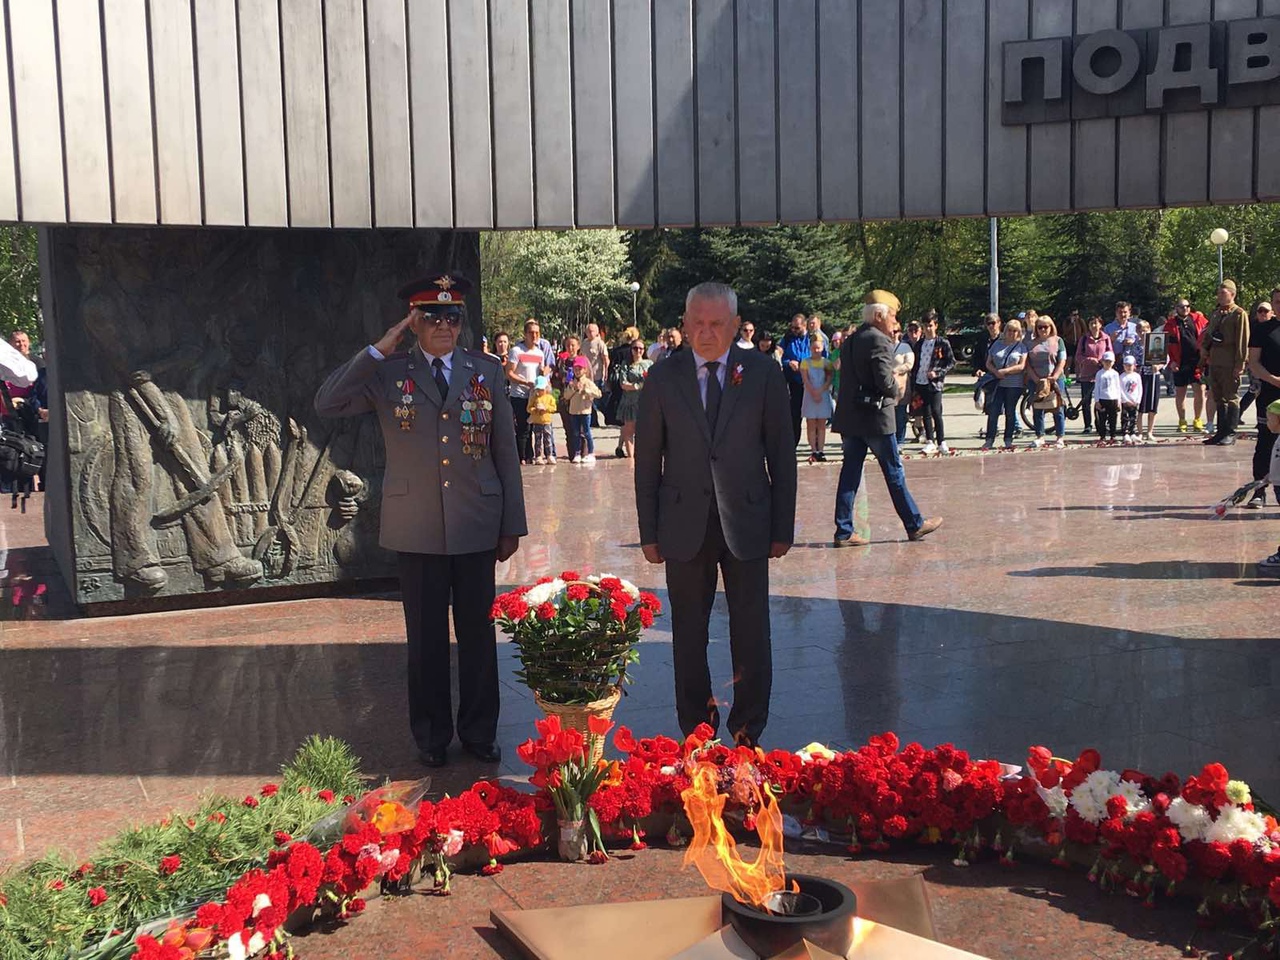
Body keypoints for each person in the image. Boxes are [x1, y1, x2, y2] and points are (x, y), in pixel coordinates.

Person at [314, 271, 526, 768]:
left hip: (476, 521)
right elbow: (328, 402)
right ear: (414, 322)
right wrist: (377, 349)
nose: (445, 326)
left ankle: (479, 732)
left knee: (478, 636)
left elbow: (505, 449)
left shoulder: (485, 371)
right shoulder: (389, 372)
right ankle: (431, 736)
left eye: (453, 317)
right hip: (417, 527)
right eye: (433, 318)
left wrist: (511, 523)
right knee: (426, 639)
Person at [635, 282, 796, 746]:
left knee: (751, 632)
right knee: (688, 633)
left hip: (747, 522)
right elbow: (647, 461)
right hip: (683, 524)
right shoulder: (663, 377)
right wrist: (649, 532)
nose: (706, 333)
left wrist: (782, 527)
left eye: (717, 324)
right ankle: (697, 730)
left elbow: (781, 455)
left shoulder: (762, 373)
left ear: (736, 325)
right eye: (698, 324)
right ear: (685, 325)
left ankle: (747, 730)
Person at [832, 290, 942, 545]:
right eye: (892, 315)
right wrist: (898, 383)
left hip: (851, 418)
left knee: (850, 474)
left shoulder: (852, 338)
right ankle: (914, 524)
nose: (895, 321)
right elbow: (885, 382)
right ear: (879, 316)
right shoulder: (878, 340)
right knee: (894, 472)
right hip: (876, 419)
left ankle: (843, 531)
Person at [1203, 279, 1250, 446]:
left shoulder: (1238, 314)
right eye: (1218, 293)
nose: (1220, 296)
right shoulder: (1216, 313)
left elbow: (1242, 341)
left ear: (1232, 294)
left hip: (1230, 361)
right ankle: (1221, 431)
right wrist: (1204, 351)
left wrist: (1240, 364)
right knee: (1218, 397)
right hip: (1215, 360)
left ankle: (1230, 432)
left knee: (1231, 397)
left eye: (1223, 293)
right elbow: (1209, 334)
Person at [1247, 298, 1280, 508]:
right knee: (1265, 443)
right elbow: (1253, 362)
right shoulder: (1262, 329)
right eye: (1277, 301)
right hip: (1270, 394)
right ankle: (1259, 491)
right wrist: (1273, 380)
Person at [508, 319, 554, 464]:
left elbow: (541, 373)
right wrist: (525, 382)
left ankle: (532, 455)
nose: (534, 336)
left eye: (537, 333)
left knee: (536, 426)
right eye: (531, 333)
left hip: (535, 396)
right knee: (523, 427)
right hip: (519, 394)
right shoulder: (516, 351)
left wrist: (544, 375)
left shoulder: (540, 353)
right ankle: (521, 456)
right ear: (525, 334)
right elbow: (509, 373)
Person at [911, 310, 955, 455]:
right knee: (926, 412)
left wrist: (937, 373)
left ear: (935, 325)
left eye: (930, 325)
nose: (928, 329)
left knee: (936, 411)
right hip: (920, 381)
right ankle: (930, 441)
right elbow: (916, 363)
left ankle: (942, 441)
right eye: (925, 326)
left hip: (935, 383)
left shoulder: (942, 343)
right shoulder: (919, 344)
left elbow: (951, 362)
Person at [982, 319, 1028, 451]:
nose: (1012, 333)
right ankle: (989, 439)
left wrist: (1006, 371)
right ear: (1005, 330)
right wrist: (996, 372)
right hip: (998, 383)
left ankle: (1008, 439)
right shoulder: (997, 344)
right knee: (993, 410)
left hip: (1014, 384)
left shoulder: (1021, 347)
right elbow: (988, 362)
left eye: (1015, 331)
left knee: (1010, 411)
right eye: (1009, 330)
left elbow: (1022, 366)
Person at [1164, 298, 1207, 433]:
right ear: (1176, 308)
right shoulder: (1170, 324)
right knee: (1180, 393)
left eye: (1187, 306)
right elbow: (1166, 346)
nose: (1185, 309)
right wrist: (1171, 361)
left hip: (1197, 362)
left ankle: (1197, 420)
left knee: (1200, 391)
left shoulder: (1198, 319)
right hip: (1180, 362)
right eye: (1182, 307)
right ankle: (1182, 421)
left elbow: (1208, 334)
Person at [1026, 316, 1068, 449]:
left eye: (1046, 326)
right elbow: (1027, 363)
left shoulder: (1058, 341)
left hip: (1055, 379)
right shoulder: (1031, 343)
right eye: (1040, 327)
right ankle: (1040, 436)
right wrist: (1035, 378)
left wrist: (1055, 376)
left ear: (1051, 327)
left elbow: (1062, 360)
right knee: (1038, 408)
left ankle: (1060, 437)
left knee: (1057, 408)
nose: (1043, 329)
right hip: (1036, 380)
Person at [800, 333, 835, 462]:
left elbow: (829, 378)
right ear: (810, 348)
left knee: (821, 424)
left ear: (823, 348)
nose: (816, 350)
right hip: (809, 394)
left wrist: (820, 391)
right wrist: (813, 392)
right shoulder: (805, 362)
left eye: (818, 348)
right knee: (811, 423)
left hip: (823, 394)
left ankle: (821, 450)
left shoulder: (827, 363)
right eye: (814, 348)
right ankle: (813, 450)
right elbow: (805, 379)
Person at [1074, 316, 1112, 435]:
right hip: (1087, 374)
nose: (1094, 326)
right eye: (1091, 323)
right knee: (1086, 401)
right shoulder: (1084, 339)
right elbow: (1078, 356)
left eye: (1096, 323)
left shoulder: (1106, 338)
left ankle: (1101, 424)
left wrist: (1104, 361)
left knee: (1102, 400)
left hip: (1102, 373)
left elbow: (1110, 353)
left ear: (1101, 324)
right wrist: (1088, 360)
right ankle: (1087, 425)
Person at [616, 339, 650, 459]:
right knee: (629, 430)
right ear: (631, 350)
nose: (638, 351)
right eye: (635, 348)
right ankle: (631, 458)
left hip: (645, 402)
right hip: (630, 402)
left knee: (645, 431)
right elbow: (623, 383)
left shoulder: (649, 363)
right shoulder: (626, 364)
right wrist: (636, 386)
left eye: (641, 348)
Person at [563, 357, 602, 464]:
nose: (577, 371)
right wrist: (573, 389)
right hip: (574, 411)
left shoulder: (588, 382)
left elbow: (598, 394)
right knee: (575, 433)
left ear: (584, 370)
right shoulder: (571, 383)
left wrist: (586, 391)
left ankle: (591, 453)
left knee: (586, 432)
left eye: (580, 369)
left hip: (585, 411)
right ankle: (577, 453)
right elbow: (566, 396)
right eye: (575, 369)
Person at [780, 313, 811, 445]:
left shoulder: (813, 338)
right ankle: (793, 443)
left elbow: (822, 357)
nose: (794, 330)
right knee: (794, 414)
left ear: (805, 325)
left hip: (811, 381)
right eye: (792, 327)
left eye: (797, 328)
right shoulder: (788, 338)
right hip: (794, 381)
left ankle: (816, 448)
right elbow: (780, 355)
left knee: (813, 417)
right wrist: (789, 363)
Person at [1135, 319, 1163, 442]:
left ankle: (1150, 431)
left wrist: (1159, 366)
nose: (1143, 333)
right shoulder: (1135, 345)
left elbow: (1165, 358)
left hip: (1153, 375)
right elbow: (1130, 358)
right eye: (1140, 331)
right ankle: (1140, 432)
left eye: (1145, 330)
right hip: (1140, 376)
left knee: (1153, 404)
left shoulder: (1156, 343)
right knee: (1140, 404)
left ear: (1149, 330)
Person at [583, 322, 610, 427]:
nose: (590, 333)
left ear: (597, 332)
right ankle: (593, 422)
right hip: (586, 376)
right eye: (588, 331)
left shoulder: (600, 343)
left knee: (597, 400)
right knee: (589, 399)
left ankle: (608, 415)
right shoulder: (584, 343)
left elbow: (606, 359)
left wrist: (606, 372)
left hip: (597, 376)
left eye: (592, 331)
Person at [527, 375, 558, 464]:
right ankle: (538, 456)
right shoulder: (534, 398)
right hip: (537, 422)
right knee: (538, 440)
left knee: (548, 439)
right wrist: (535, 409)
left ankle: (549, 455)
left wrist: (546, 408)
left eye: (542, 389)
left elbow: (554, 408)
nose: (540, 391)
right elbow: (529, 408)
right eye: (538, 389)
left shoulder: (550, 397)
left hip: (547, 421)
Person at [893, 327, 915, 445]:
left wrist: (896, 370)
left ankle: (900, 441)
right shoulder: (883, 346)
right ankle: (891, 441)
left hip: (901, 384)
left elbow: (909, 364)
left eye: (895, 332)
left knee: (900, 414)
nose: (893, 334)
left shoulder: (904, 347)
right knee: (889, 415)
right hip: (886, 385)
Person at [1094, 351, 1122, 444]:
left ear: (1113, 362)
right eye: (1106, 361)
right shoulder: (1099, 373)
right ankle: (1102, 436)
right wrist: (1097, 400)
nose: (1108, 363)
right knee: (1102, 419)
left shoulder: (1115, 374)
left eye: (1110, 361)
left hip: (1113, 399)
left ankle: (1112, 435)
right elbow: (1097, 387)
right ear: (1102, 362)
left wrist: (1119, 400)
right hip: (1103, 399)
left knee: (1113, 418)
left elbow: (1118, 387)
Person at [1119, 355, 1143, 444]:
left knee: (1133, 417)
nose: (1128, 367)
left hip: (1134, 401)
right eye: (1126, 365)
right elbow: (1120, 390)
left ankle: (1132, 432)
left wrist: (1138, 400)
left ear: (1134, 366)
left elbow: (1140, 389)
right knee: (1125, 417)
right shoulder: (1122, 377)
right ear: (1123, 366)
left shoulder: (1137, 376)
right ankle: (1125, 433)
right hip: (1125, 401)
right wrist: (1125, 400)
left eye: (1130, 365)